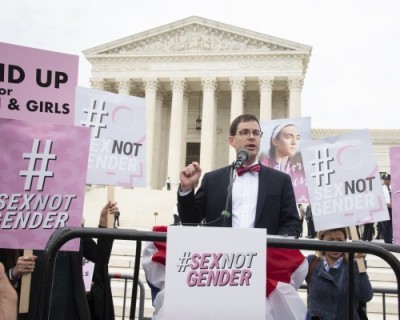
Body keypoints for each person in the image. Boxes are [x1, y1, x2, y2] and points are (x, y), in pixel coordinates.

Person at [177, 113, 300, 236]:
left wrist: (272, 247)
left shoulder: (280, 181)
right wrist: (187, 189)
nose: (252, 137)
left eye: (256, 133)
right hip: (221, 253)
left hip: (264, 253)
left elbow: (291, 224)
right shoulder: (212, 180)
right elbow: (190, 221)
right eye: (245, 132)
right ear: (232, 141)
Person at [0, 201, 118, 320]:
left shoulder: (71, 224)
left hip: (70, 311)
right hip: (31, 310)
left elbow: (100, 256)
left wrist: (104, 224)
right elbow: (5, 273)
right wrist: (14, 272)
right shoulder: (15, 226)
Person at [306, 228, 373, 320]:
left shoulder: (353, 266)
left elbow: (366, 296)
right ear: (321, 241)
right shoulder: (312, 262)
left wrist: (360, 266)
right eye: (331, 240)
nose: (336, 244)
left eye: (340, 240)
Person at [381, 173, 392, 244]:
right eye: (385, 179)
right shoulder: (381, 188)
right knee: (385, 225)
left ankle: (391, 239)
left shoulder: (392, 187)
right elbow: (380, 199)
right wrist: (387, 204)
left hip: (393, 208)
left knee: (392, 224)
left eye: (388, 179)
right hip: (385, 208)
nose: (387, 181)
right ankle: (387, 241)